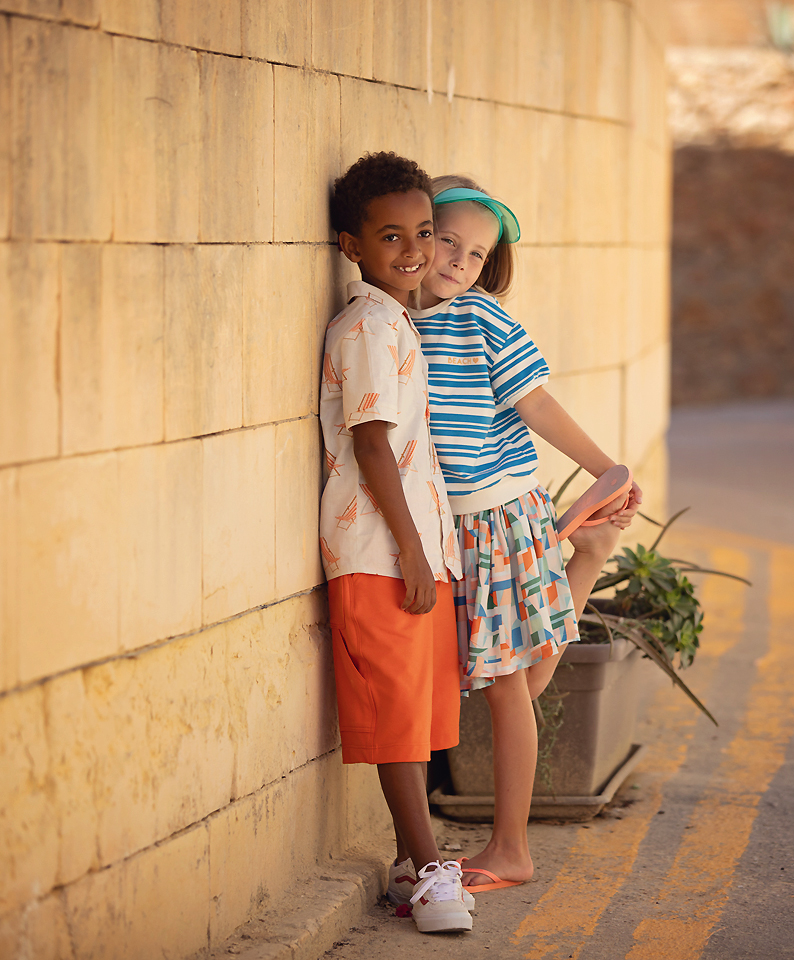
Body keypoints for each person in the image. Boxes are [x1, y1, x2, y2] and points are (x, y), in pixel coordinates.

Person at [409, 175, 642, 889]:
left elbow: (535, 402)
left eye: (477, 253)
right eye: (449, 240)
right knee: (517, 676)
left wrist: (606, 467)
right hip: (458, 524)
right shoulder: (396, 319)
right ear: (420, 236)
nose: (459, 259)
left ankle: (511, 847)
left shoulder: (480, 318)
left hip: (496, 518)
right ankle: (589, 559)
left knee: (509, 683)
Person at [320, 152, 473, 933]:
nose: (415, 251)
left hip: (408, 549)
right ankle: (431, 872)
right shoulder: (368, 326)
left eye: (423, 232)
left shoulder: (394, 319)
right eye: (391, 236)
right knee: (397, 715)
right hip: (381, 552)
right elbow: (373, 445)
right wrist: (413, 551)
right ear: (352, 244)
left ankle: (421, 862)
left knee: (414, 713)